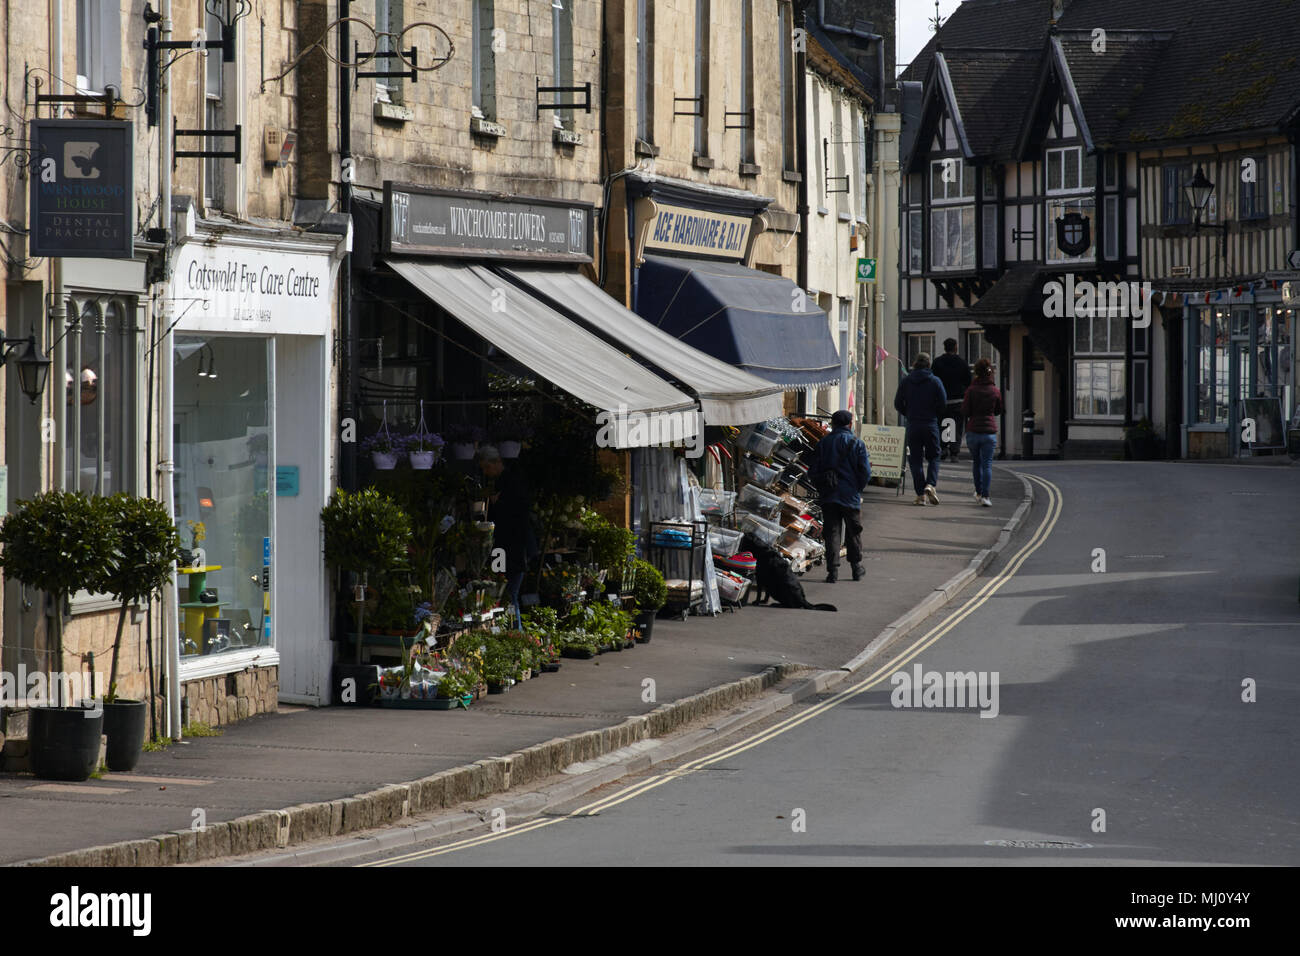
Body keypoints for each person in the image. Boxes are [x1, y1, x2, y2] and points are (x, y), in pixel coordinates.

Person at [810, 409, 871, 583]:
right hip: (850, 495)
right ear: (850, 424)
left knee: (832, 533)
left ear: (833, 424)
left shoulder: (823, 443)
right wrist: (857, 487)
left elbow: (813, 471)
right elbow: (865, 471)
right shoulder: (857, 443)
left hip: (829, 495)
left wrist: (822, 486)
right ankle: (856, 569)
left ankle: (832, 572)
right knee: (853, 532)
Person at [477, 444, 537, 608]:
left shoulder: (512, 481)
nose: (485, 472)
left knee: (509, 594)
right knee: (500, 590)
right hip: (501, 547)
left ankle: (514, 630)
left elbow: (520, 511)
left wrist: (499, 503)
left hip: (513, 547)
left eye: (487, 467)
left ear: (497, 462)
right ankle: (508, 628)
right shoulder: (500, 482)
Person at [894, 353, 947, 506]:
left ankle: (920, 495)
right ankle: (930, 484)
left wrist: (909, 413)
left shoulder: (906, 381)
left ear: (915, 364)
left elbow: (898, 403)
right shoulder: (935, 381)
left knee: (915, 460)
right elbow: (943, 403)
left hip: (913, 424)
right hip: (930, 423)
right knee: (934, 456)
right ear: (929, 364)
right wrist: (934, 413)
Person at [962, 358, 1003, 507]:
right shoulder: (995, 391)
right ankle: (986, 496)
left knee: (976, 463)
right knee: (987, 464)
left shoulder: (971, 390)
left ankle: (978, 492)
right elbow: (999, 410)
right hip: (989, 432)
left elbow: (965, 410)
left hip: (973, 430)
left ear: (976, 373)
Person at [932, 338, 971, 461]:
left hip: (942, 401)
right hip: (958, 400)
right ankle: (954, 452)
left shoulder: (937, 362)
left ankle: (943, 448)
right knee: (956, 427)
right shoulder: (962, 363)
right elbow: (968, 382)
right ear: (955, 347)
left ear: (945, 347)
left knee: (944, 425)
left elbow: (933, 381)